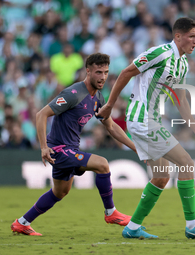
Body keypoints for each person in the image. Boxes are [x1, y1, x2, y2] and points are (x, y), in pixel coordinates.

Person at [97, 17, 195, 239]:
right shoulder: (160, 53)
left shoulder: (182, 63)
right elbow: (126, 72)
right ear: (178, 36)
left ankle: (132, 228)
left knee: (162, 176)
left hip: (151, 120)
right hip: (142, 119)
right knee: (186, 163)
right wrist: (109, 105)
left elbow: (180, 98)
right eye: (192, 36)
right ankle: (192, 225)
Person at [11, 53, 136, 236]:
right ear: (88, 71)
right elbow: (41, 115)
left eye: (106, 72)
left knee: (60, 192)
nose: (102, 77)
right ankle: (111, 213)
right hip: (60, 150)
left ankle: (22, 223)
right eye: (98, 72)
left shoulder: (98, 98)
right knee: (102, 165)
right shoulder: (73, 94)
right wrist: (44, 147)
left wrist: (135, 147)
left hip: (71, 149)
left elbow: (110, 126)